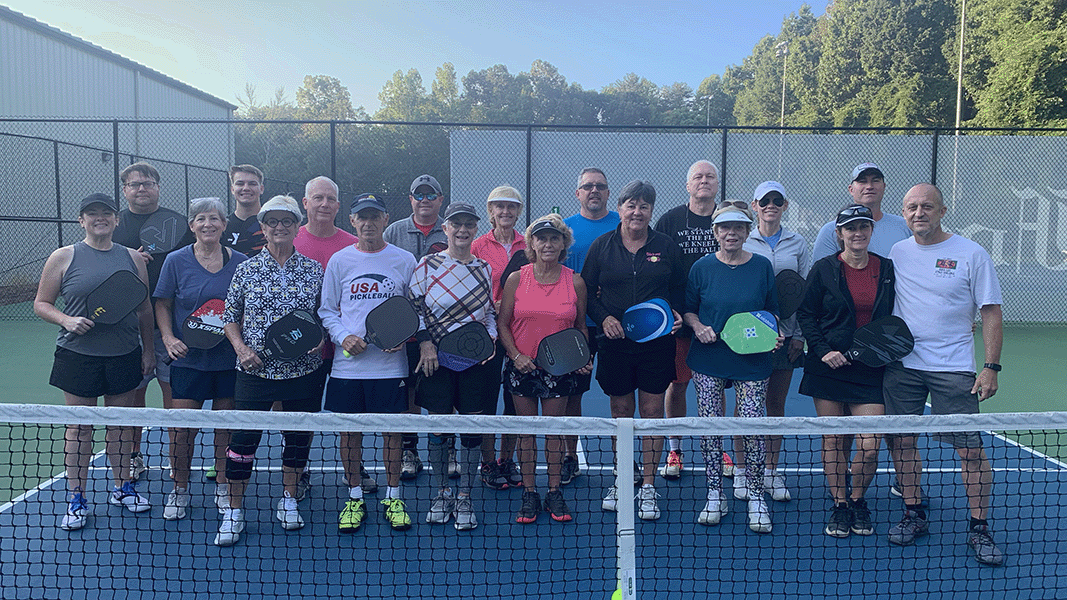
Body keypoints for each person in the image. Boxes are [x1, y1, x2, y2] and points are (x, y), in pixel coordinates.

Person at [884, 184, 1005, 566]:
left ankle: (979, 527)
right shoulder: (897, 252)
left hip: (954, 368)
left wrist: (991, 366)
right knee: (902, 442)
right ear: (903, 213)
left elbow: (990, 310)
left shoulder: (971, 253)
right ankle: (914, 512)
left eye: (927, 206)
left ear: (942, 210)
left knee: (969, 449)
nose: (919, 213)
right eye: (911, 207)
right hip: (903, 367)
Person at [34, 193, 155, 530]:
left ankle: (122, 488)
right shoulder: (63, 257)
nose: (99, 218)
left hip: (124, 354)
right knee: (79, 428)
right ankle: (77, 498)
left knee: (118, 425)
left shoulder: (133, 258)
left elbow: (144, 309)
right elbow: (42, 303)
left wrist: (148, 351)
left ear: (116, 220)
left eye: (106, 213)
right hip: (78, 357)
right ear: (81, 220)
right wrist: (66, 320)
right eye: (92, 214)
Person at [217, 195, 326, 547]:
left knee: (297, 441)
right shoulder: (246, 269)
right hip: (254, 373)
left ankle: (289, 500)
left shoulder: (313, 270)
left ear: (297, 227)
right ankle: (233, 512)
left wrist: (320, 339)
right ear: (262, 228)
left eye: (287, 221)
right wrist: (241, 348)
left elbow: (323, 317)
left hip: (304, 373)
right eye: (272, 222)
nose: (280, 227)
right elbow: (229, 317)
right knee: (242, 444)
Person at [582, 180, 685, 521]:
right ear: (621, 208)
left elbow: (680, 291)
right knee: (621, 412)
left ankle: (649, 486)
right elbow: (587, 296)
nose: (637, 211)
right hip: (614, 345)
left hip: (657, 346)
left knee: (653, 412)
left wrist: (678, 314)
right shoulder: (602, 246)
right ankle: (622, 477)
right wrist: (604, 317)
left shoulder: (666, 246)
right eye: (631, 205)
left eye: (644, 205)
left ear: (651, 210)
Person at [319, 194, 417, 532]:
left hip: (392, 368)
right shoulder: (339, 261)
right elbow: (327, 310)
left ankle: (393, 495)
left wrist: (403, 336)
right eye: (362, 217)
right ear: (352, 221)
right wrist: (343, 337)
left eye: (375, 216)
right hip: (348, 368)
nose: (369, 223)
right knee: (350, 434)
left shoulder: (404, 260)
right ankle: (355, 496)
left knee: (393, 434)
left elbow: (413, 310)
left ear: (386, 219)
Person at [796, 204, 893, 538]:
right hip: (828, 370)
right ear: (839, 234)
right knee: (834, 439)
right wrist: (824, 352)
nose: (857, 233)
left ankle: (857, 499)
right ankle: (840, 504)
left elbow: (903, 310)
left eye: (863, 227)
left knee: (869, 444)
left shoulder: (887, 269)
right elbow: (807, 315)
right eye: (850, 228)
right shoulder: (823, 270)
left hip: (870, 370)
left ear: (870, 231)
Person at [683, 204, 781, 534]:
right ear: (715, 233)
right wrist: (698, 327)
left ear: (747, 231)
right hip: (708, 358)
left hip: (752, 360)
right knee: (711, 426)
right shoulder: (701, 268)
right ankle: (715, 493)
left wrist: (773, 334)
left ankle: (755, 496)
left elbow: (772, 312)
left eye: (738, 228)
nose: (731, 234)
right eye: (725, 228)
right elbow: (689, 311)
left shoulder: (763, 267)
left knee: (752, 425)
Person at [154, 198, 248, 520]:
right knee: (182, 431)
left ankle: (223, 486)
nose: (208, 224)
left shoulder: (242, 263)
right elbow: (163, 303)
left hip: (228, 362)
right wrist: (168, 338)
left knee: (225, 431)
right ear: (191, 225)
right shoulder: (176, 261)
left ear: (224, 225)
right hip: (188, 362)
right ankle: (179, 488)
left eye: (215, 219)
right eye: (200, 219)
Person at [408, 201, 498, 531]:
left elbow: (488, 313)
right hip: (437, 361)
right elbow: (413, 307)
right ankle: (441, 492)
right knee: (439, 428)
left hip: (474, 362)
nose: (462, 230)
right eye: (456, 224)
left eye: (468, 225)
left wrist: (489, 340)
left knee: (472, 431)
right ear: (445, 228)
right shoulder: (427, 265)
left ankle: (464, 496)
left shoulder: (485, 269)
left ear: (476, 230)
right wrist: (426, 342)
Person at [498, 214, 590, 524]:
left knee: (554, 433)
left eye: (554, 238)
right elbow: (503, 322)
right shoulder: (516, 278)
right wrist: (515, 355)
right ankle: (528, 493)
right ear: (532, 244)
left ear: (564, 244)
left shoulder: (575, 281)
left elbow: (580, 327)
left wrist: (582, 358)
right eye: (542, 238)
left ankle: (553, 491)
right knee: (526, 433)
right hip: (522, 366)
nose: (548, 243)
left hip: (559, 370)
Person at [113, 162, 195, 481]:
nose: (142, 189)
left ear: (158, 187)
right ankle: (134, 456)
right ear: (125, 190)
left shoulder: (178, 223)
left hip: (169, 322)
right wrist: (128, 260)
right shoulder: (114, 224)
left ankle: (177, 462)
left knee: (171, 390)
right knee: (134, 394)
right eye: (135, 185)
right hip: (127, 323)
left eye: (148, 183)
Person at [292, 176, 361, 498]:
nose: (323, 204)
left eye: (330, 199)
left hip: (349, 352)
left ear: (338, 205)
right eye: (317, 198)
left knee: (349, 417)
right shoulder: (290, 239)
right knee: (300, 415)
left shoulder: (353, 243)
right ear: (305, 203)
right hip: (303, 352)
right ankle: (299, 469)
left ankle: (354, 474)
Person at [653, 160, 722, 480]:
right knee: (678, 384)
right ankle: (675, 449)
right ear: (688, 185)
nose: (704, 181)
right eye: (698, 176)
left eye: (709, 177)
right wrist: (669, 310)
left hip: (719, 322)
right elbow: (659, 267)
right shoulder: (670, 220)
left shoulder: (727, 218)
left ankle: (719, 449)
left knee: (715, 387)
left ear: (717, 184)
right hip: (680, 321)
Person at [741, 181, 810, 502]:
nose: (770, 205)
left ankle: (770, 471)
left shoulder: (797, 243)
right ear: (755, 206)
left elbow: (803, 292)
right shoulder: (744, 239)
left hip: (786, 340)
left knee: (774, 405)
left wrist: (798, 335)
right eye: (764, 200)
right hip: (750, 339)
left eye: (777, 200)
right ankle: (742, 472)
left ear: (784, 205)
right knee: (745, 408)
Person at [384, 174, 450, 481]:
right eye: (418, 195)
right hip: (404, 329)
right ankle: (409, 450)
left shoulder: (451, 229)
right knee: (408, 392)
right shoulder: (394, 231)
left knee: (441, 392)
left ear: (440, 199)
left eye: (430, 195)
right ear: (411, 199)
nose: (424, 200)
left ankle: (444, 450)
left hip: (444, 328)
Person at [560, 167, 620, 485]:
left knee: (619, 396)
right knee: (573, 394)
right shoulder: (564, 229)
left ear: (608, 192)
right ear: (578, 193)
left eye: (600, 185)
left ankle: (621, 460)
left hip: (614, 326)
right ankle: (570, 457)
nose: (594, 190)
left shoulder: (622, 226)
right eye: (587, 186)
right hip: (574, 325)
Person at [471, 185, 528, 490]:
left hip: (519, 331)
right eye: (499, 207)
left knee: (514, 400)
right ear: (491, 211)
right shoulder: (478, 245)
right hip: (487, 333)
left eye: (511, 207)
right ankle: (488, 461)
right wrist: (489, 305)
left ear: (518, 211)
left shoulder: (528, 243)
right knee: (486, 399)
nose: (505, 212)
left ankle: (508, 459)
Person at [811, 163, 912, 262]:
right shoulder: (831, 230)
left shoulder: (905, 226)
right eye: (862, 181)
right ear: (851, 189)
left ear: (884, 187)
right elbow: (822, 274)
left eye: (875, 181)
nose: (869, 186)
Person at [223, 164, 267, 257]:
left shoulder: (273, 224)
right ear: (232, 189)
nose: (246, 188)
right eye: (240, 183)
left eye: (252, 184)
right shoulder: (222, 227)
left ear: (261, 189)